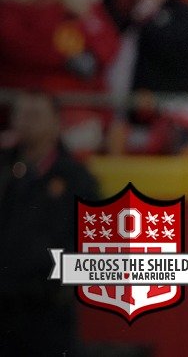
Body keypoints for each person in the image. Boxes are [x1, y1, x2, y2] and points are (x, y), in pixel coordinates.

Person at [0, 90, 100, 355]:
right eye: (20, 114)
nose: (26, 121)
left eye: (35, 115)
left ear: (56, 122)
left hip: (48, 313)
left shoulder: (78, 179)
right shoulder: (6, 171)